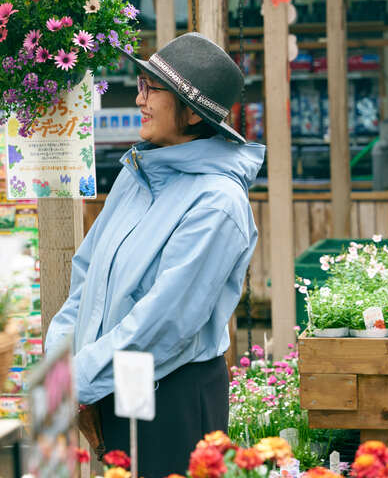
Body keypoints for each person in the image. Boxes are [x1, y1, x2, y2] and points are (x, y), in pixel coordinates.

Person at [45, 32, 265, 476]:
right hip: (114, 381)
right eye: (140, 84)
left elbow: (165, 322)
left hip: (175, 393)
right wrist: (62, 364)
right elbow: (86, 278)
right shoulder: (137, 175)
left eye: (151, 89)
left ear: (190, 112)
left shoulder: (217, 203)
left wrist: (78, 379)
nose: (139, 98)